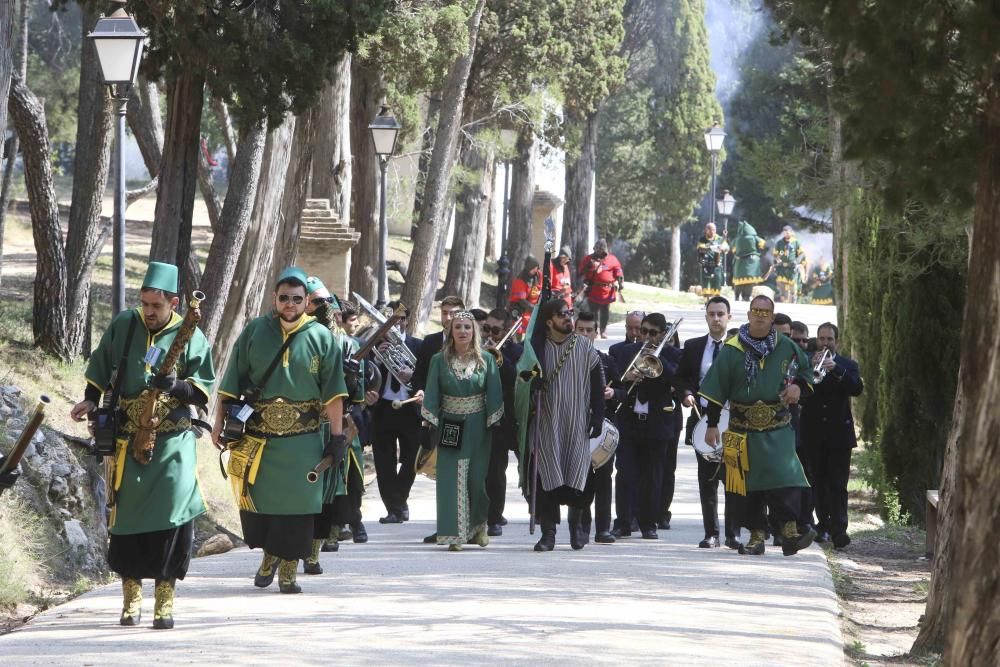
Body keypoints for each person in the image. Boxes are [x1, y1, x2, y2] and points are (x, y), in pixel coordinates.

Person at [70, 262, 215, 629]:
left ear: (174, 302)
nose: (149, 312)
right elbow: (101, 365)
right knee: (126, 521)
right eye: (145, 303)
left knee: (172, 519)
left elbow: (201, 388)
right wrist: (90, 399)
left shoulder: (190, 333)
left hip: (173, 443)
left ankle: (164, 601)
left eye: (157, 305)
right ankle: (131, 598)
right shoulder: (125, 324)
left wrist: (175, 386)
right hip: (127, 441)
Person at [214, 267, 348, 594]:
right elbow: (230, 384)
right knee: (262, 506)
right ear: (274, 298)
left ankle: (288, 569)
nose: (290, 304)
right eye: (284, 298)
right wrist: (218, 422)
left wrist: (337, 437)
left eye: (297, 299)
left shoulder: (322, 338)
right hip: (260, 440)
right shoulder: (255, 332)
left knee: (299, 509)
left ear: (307, 303)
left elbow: (334, 394)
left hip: (304, 442)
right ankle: (268, 556)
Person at [699, 295, 816, 557]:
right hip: (741, 428)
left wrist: (798, 386)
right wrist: (712, 424)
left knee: (786, 480)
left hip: (778, 427)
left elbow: (807, 373)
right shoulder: (732, 348)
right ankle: (755, 536)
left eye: (766, 311)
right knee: (744, 486)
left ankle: (788, 533)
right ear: (749, 315)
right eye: (756, 310)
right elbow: (717, 388)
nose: (761, 315)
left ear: (773, 317)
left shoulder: (786, 346)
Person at [518, 299, 606, 551]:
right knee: (545, 477)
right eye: (562, 314)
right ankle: (548, 534)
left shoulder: (584, 348)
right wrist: (529, 386)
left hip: (576, 424)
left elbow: (598, 387)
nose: (569, 318)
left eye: (570, 313)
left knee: (577, 477)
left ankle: (576, 527)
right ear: (548, 321)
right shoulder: (536, 349)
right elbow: (520, 381)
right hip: (545, 423)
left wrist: (598, 417)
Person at [420, 311, 504, 551]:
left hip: (478, 425)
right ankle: (454, 535)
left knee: (476, 479)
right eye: (458, 327)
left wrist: (494, 421)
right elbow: (432, 392)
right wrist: (428, 423)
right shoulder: (439, 360)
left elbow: (494, 391)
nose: (463, 331)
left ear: (474, 331)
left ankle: (479, 527)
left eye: (468, 327)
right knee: (450, 479)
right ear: (451, 331)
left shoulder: (486, 359)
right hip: (450, 425)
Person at [302, 278, 367, 568]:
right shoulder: (294, 338)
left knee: (330, 488)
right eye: (315, 302)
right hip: (296, 425)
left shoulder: (348, 345)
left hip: (335, 424)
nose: (322, 309)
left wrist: (351, 378)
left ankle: (318, 546)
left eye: (325, 302)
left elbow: (358, 395)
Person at [679, 296, 742, 550]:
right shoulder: (693, 346)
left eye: (720, 314)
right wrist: (685, 393)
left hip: (733, 422)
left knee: (733, 480)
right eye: (712, 314)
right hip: (702, 420)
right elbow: (681, 378)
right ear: (706, 317)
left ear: (729, 317)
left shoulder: (740, 347)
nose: (716, 319)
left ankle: (733, 534)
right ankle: (711, 534)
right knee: (707, 480)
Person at [611, 313, 681, 540]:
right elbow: (612, 381)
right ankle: (622, 522)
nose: (647, 337)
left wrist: (657, 361)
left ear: (662, 334)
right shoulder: (622, 352)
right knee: (624, 473)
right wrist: (627, 377)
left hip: (657, 423)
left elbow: (676, 382)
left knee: (653, 475)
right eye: (644, 331)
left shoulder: (672, 354)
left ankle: (648, 523)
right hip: (629, 422)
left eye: (653, 333)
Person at [800, 323, 863, 549]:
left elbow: (856, 388)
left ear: (837, 341)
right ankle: (823, 524)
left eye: (829, 339)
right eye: (821, 338)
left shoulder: (848, 365)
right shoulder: (806, 362)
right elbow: (800, 392)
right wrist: (810, 368)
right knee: (817, 481)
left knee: (837, 484)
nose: (825, 343)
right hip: (813, 433)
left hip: (839, 435)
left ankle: (839, 530)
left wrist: (836, 369)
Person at [412, 296, 464, 542]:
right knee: (445, 473)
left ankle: (472, 525)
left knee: (466, 473)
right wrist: (422, 391)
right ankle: (446, 526)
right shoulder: (431, 342)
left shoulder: (473, 343)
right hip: (441, 419)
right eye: (444, 313)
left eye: (453, 313)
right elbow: (419, 376)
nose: (448, 318)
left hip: (467, 417)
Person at [371, 299, 424, 525]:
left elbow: (425, 376)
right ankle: (394, 509)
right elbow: (366, 375)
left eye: (400, 319)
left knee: (412, 458)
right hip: (383, 408)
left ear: (406, 321)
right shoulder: (374, 345)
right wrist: (375, 358)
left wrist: (412, 375)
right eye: (390, 319)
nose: (395, 323)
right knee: (384, 461)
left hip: (409, 407)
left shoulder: (417, 346)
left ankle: (399, 500)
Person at [574, 311, 621, 544]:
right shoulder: (566, 359)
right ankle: (582, 527)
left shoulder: (606, 361)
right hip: (574, 428)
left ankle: (603, 529)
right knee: (579, 478)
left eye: (588, 330)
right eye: (580, 330)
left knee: (604, 478)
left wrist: (613, 393)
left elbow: (625, 392)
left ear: (595, 333)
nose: (584, 334)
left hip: (601, 428)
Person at [482, 308, 522, 536]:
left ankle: (497, 516)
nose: (490, 333)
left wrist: (498, 355)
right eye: (486, 328)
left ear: (506, 330)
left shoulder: (517, 351)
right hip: (481, 415)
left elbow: (515, 378)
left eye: (495, 330)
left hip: (507, 417)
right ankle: (490, 516)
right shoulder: (476, 348)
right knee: (490, 469)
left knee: (507, 468)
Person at [578, 239, 623, 339]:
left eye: (600, 250)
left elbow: (618, 271)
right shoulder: (588, 259)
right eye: (597, 250)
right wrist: (589, 265)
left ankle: (603, 330)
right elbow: (580, 271)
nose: (598, 252)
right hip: (593, 289)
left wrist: (621, 282)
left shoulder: (612, 259)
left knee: (605, 311)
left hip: (607, 290)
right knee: (593, 311)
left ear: (604, 250)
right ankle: (595, 330)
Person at [731, 220, 767, 301]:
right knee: (749, 281)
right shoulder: (755, 238)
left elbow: (733, 250)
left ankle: (737, 296)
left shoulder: (736, 239)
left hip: (739, 262)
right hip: (752, 262)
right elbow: (763, 245)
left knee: (739, 281)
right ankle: (746, 296)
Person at [773, 225, 807, 303]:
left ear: (791, 232)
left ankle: (793, 299)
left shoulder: (796, 242)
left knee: (793, 284)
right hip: (782, 267)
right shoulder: (779, 243)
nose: (786, 233)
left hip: (792, 267)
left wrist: (797, 261)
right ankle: (783, 298)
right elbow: (775, 254)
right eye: (785, 232)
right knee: (780, 282)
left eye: (788, 232)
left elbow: (802, 254)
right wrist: (777, 259)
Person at [509, 258, 542, 335]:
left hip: (532, 312)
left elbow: (541, 289)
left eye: (536, 268)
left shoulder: (538, 276)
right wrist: (536, 310)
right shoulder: (520, 281)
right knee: (520, 334)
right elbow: (521, 301)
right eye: (532, 268)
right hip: (520, 311)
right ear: (527, 268)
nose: (535, 270)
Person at [697, 223, 729, 299]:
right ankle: (706, 303)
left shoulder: (720, 239)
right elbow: (700, 249)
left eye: (713, 229)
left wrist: (722, 248)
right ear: (706, 230)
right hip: (706, 265)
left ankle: (716, 303)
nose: (712, 231)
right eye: (709, 229)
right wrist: (711, 247)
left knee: (717, 286)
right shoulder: (702, 239)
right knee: (706, 286)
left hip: (716, 266)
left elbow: (726, 248)